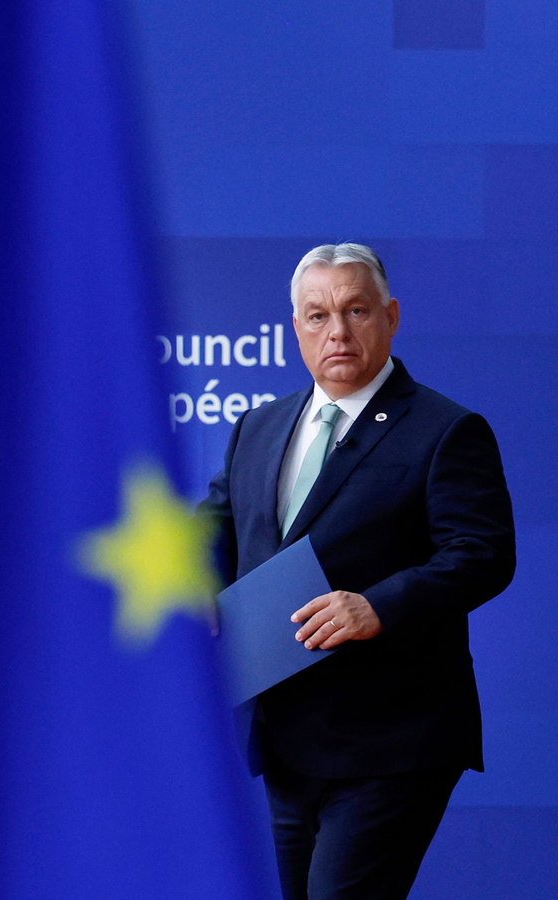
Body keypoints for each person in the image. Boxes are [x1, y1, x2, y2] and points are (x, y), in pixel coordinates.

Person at [201, 243, 515, 900]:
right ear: (296, 328)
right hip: (285, 738)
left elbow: (481, 553)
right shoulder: (257, 427)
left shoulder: (446, 429)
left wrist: (377, 606)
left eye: (356, 310)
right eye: (318, 316)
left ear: (390, 316)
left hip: (392, 741)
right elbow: (217, 527)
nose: (337, 331)